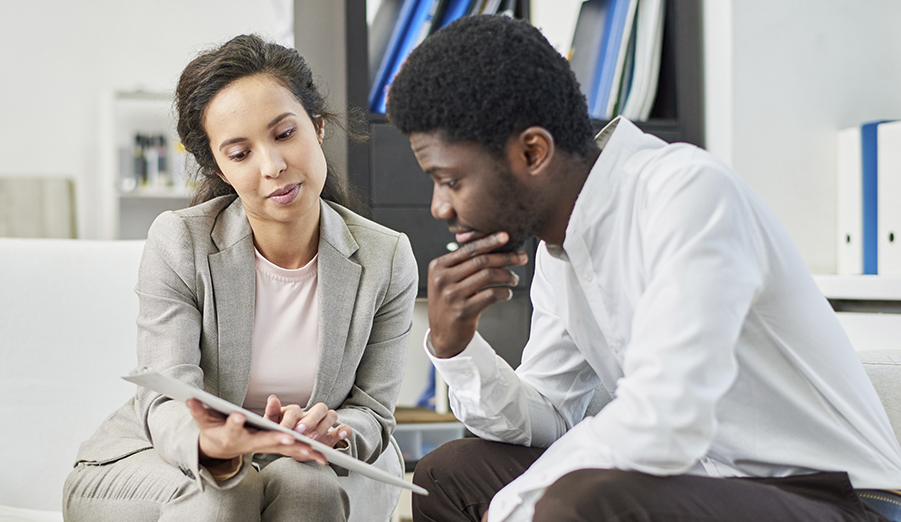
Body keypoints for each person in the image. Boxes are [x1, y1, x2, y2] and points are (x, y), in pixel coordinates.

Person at [384, 14, 901, 522]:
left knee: (577, 503)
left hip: (837, 499)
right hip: (699, 480)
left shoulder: (686, 191)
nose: (440, 208)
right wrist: (455, 348)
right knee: (446, 476)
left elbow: (667, 419)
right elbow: (553, 416)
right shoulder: (559, 252)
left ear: (533, 151)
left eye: (449, 180)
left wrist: (515, 507)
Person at [63, 34, 418, 522]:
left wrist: (333, 431)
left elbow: (373, 411)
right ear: (219, 169)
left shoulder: (387, 257)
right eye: (240, 153)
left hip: (284, 461)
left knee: (310, 486)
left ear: (316, 128)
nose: (272, 166)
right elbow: (166, 395)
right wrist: (211, 444)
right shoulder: (179, 242)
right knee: (227, 491)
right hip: (151, 461)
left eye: (284, 133)